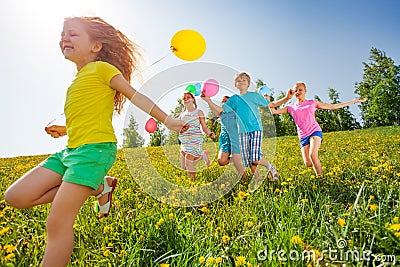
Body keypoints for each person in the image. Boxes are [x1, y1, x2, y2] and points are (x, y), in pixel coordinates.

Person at [4, 16, 188, 267]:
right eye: (62, 34)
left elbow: (136, 96)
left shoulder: (103, 69)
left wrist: (167, 120)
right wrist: (65, 129)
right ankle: (100, 187)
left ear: (96, 46)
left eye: (73, 33)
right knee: (16, 196)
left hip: (95, 151)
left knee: (57, 222)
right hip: (70, 151)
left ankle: (95, 186)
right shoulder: (76, 82)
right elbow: (86, 117)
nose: (64, 38)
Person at [202, 72, 293, 181]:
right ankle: (259, 179)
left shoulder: (254, 96)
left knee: (254, 159)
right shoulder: (234, 99)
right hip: (242, 132)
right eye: (238, 81)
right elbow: (220, 110)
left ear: (248, 83)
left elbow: (271, 105)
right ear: (235, 84)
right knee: (248, 160)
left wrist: (287, 98)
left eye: (244, 80)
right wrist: (207, 99)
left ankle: (270, 167)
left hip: (255, 129)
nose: (241, 82)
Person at [270, 81, 367, 176]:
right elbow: (273, 111)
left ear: (305, 91)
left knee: (313, 155)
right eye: (295, 90)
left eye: (300, 90)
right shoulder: (290, 107)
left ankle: (321, 179)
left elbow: (333, 107)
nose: (298, 92)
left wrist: (354, 101)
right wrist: (286, 98)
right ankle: (317, 164)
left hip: (314, 131)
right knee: (308, 163)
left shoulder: (312, 103)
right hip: (303, 136)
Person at [178, 92, 216, 180]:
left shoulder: (198, 112)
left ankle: (193, 184)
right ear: (182, 101)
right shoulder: (181, 114)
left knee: (188, 163)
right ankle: (202, 156)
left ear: (193, 99)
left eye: (188, 97)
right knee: (184, 167)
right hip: (184, 141)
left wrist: (209, 133)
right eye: (184, 98)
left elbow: (204, 127)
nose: (186, 99)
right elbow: (176, 126)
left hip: (195, 139)